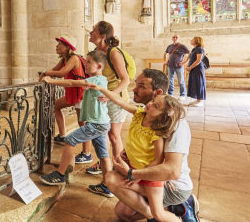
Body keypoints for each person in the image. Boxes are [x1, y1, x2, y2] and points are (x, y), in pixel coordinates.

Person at [106, 69, 199, 222]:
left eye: (141, 86)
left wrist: (132, 174)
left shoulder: (175, 124)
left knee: (115, 182)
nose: (134, 89)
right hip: (151, 176)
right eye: (136, 84)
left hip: (171, 185)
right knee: (123, 212)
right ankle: (168, 210)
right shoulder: (146, 115)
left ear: (158, 92)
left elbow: (172, 171)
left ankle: (174, 209)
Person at [90, 82, 186, 222]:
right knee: (111, 179)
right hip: (134, 169)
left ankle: (177, 214)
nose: (150, 104)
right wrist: (102, 89)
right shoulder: (139, 113)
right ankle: (162, 211)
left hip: (150, 175)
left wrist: (140, 176)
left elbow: (158, 160)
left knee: (158, 213)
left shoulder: (156, 133)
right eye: (153, 101)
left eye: (156, 106)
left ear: (163, 116)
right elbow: (120, 101)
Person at [39, 50, 113, 197]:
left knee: (70, 140)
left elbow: (72, 82)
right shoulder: (102, 79)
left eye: (89, 62)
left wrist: (51, 80)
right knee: (103, 155)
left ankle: (59, 175)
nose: (85, 64)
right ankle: (107, 186)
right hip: (102, 123)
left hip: (96, 124)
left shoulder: (95, 81)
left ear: (99, 66)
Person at [85, 21, 129, 176]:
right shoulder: (97, 51)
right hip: (102, 98)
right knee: (102, 133)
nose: (91, 32)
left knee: (113, 136)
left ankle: (120, 170)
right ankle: (105, 164)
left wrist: (111, 95)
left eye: (94, 30)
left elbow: (125, 79)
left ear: (103, 35)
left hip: (115, 99)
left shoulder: (113, 53)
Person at [39, 36, 87, 150]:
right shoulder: (64, 59)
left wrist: (46, 73)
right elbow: (55, 70)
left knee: (82, 124)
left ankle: (86, 153)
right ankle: (62, 135)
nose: (56, 46)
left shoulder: (74, 58)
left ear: (67, 47)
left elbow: (61, 73)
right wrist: (46, 75)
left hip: (80, 93)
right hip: (72, 92)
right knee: (56, 105)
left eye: (59, 44)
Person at [164, 34, 190, 99]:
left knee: (181, 81)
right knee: (170, 81)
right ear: (172, 38)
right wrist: (165, 61)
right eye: (173, 37)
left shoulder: (182, 46)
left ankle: (182, 95)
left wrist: (184, 62)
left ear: (179, 38)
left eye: (176, 37)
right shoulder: (169, 46)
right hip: (170, 66)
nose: (175, 38)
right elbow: (165, 54)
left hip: (179, 67)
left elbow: (190, 54)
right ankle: (170, 94)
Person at [185, 37, 207, 107]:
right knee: (195, 83)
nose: (190, 40)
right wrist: (185, 63)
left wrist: (190, 67)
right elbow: (190, 57)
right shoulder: (195, 49)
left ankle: (200, 101)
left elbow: (198, 60)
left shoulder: (200, 49)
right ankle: (198, 100)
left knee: (199, 83)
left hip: (198, 69)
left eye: (192, 39)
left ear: (196, 41)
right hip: (194, 69)